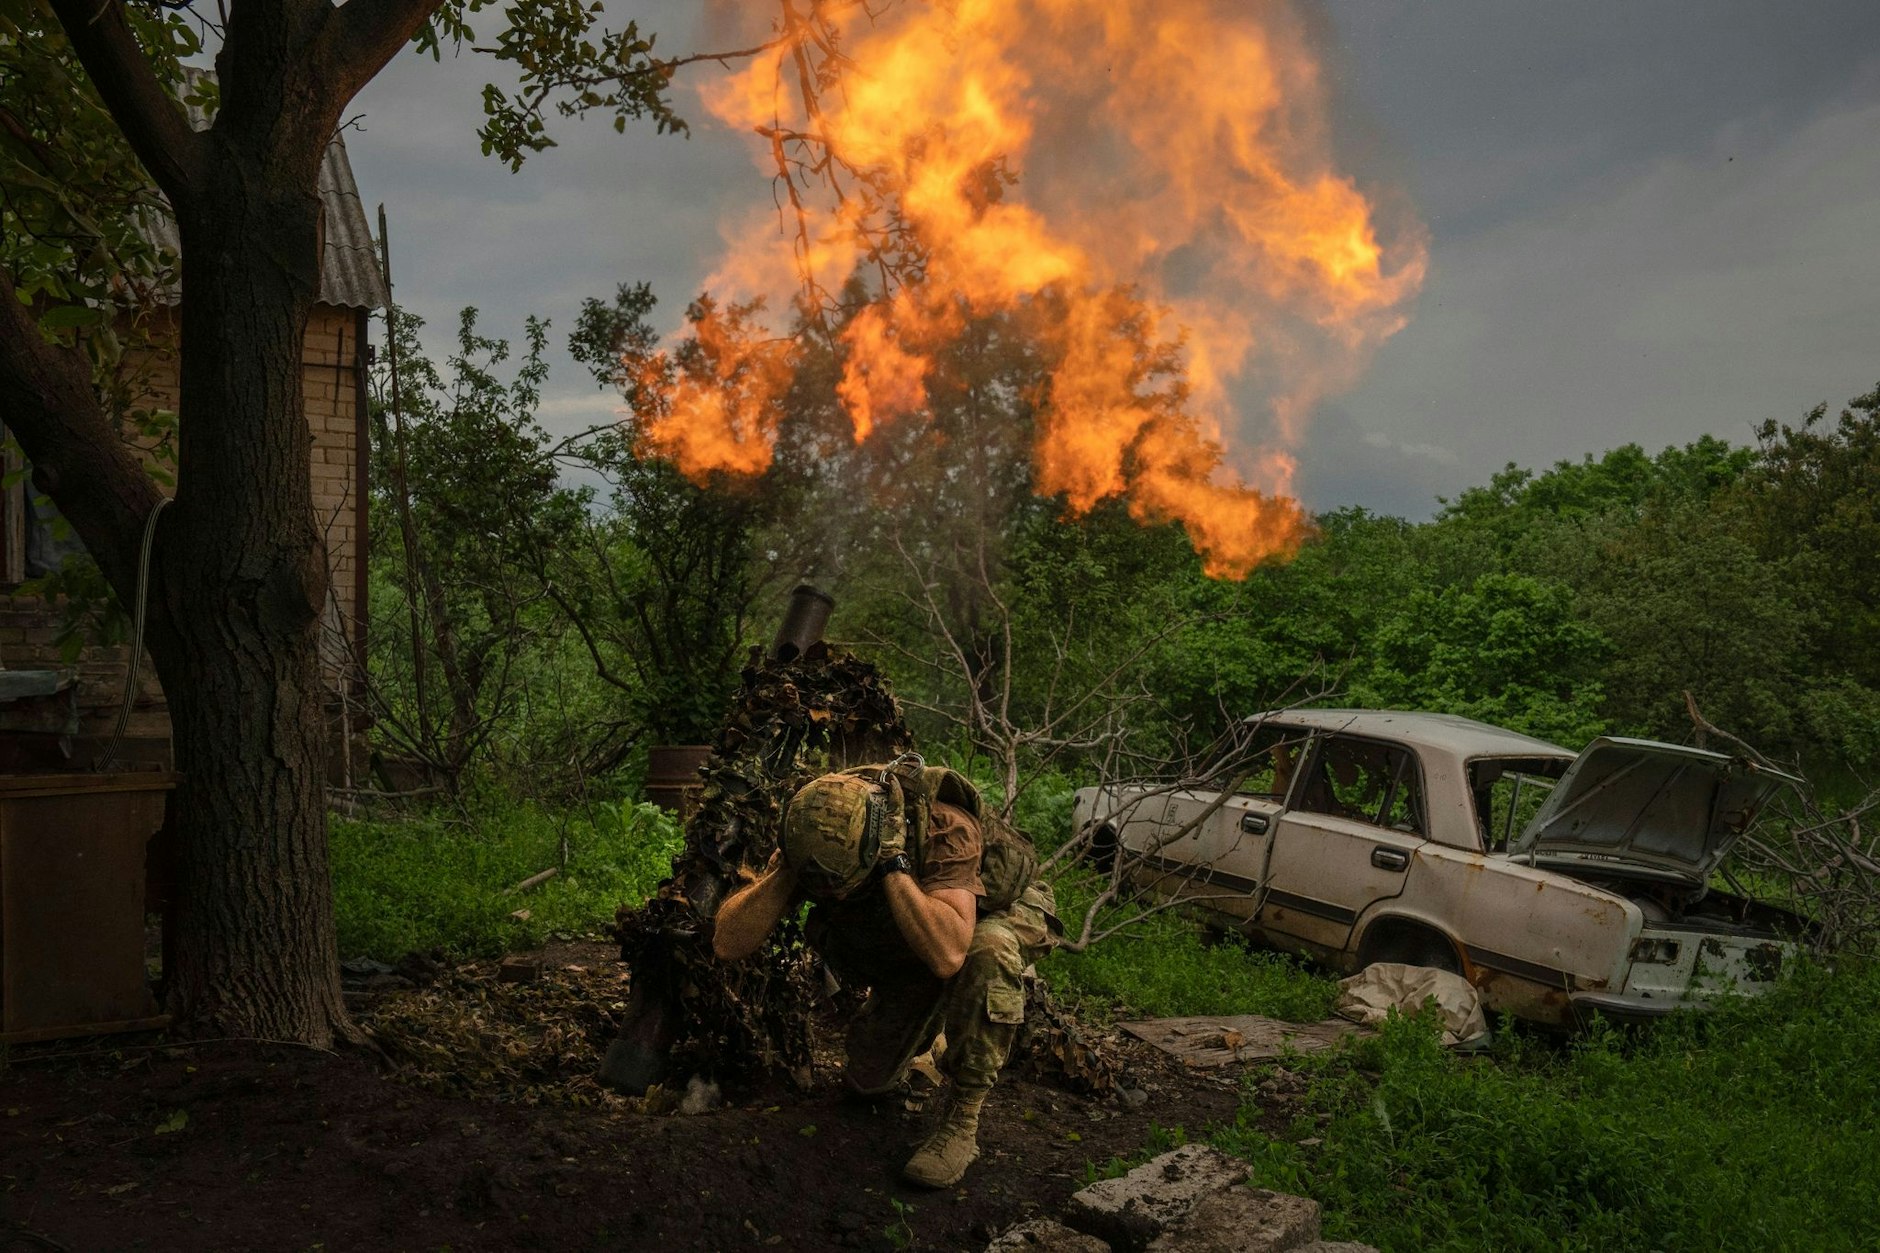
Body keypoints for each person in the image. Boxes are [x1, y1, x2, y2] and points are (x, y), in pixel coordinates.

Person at [711, 758, 1059, 1188]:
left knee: (986, 952)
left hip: (992, 911)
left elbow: (951, 952)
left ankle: (962, 1118)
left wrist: (893, 863)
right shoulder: (815, 825)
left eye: (843, 885)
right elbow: (728, 943)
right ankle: (931, 1031)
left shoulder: (944, 828)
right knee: (868, 1083)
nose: (832, 895)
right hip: (923, 928)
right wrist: (785, 872)